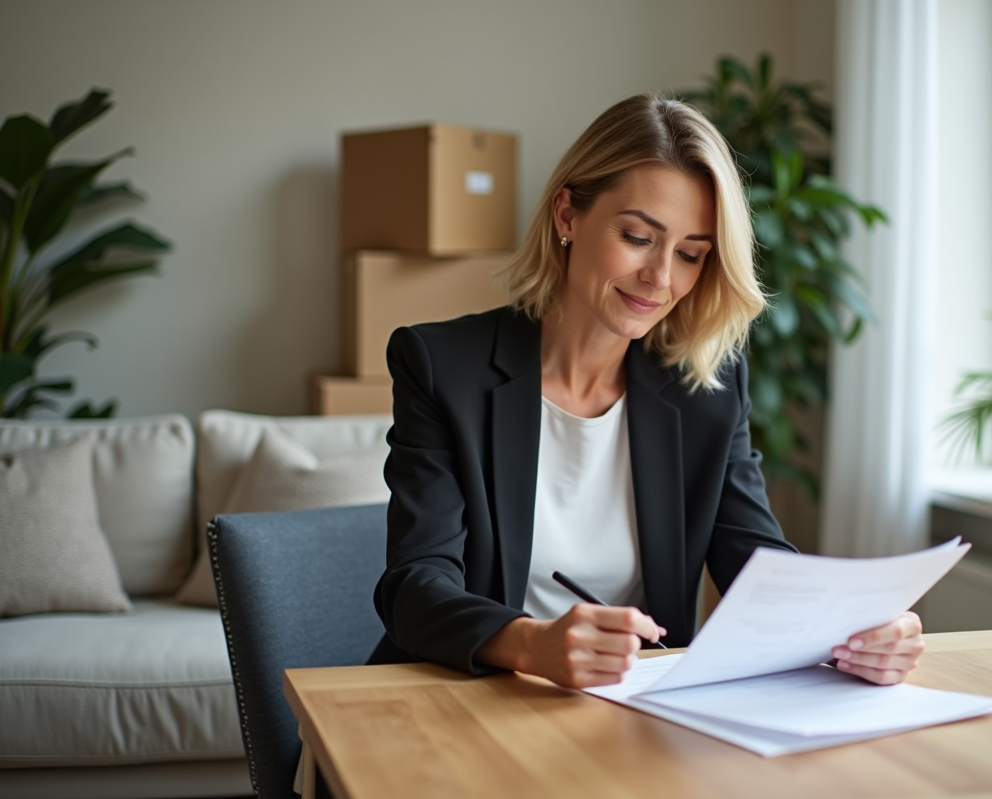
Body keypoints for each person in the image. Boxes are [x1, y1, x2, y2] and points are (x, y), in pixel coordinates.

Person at [369, 94, 925, 689]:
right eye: (637, 237)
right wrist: (532, 644)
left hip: (631, 707)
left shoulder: (704, 387)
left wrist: (856, 631)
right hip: (459, 697)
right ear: (567, 216)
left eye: (690, 254)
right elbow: (414, 586)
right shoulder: (441, 366)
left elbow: (759, 568)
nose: (661, 279)